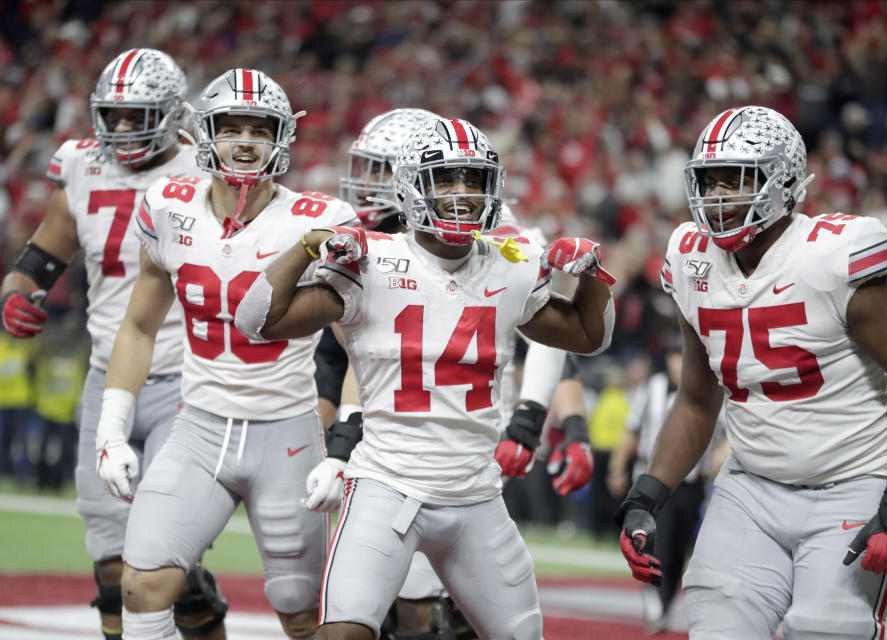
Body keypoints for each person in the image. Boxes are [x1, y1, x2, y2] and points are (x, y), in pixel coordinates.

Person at [234, 117, 616, 640]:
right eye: (446, 179)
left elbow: (588, 336)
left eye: (472, 180)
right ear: (413, 187)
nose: (461, 194)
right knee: (343, 633)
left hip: (477, 494)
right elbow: (255, 320)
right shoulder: (372, 259)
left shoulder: (512, 261)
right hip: (387, 486)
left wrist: (590, 277)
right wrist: (306, 247)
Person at [616, 105, 887, 639]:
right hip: (750, 485)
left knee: (826, 630)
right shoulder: (691, 259)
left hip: (852, 483)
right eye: (710, 180)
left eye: (737, 179)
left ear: (785, 182)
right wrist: (647, 494)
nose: (719, 196)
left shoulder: (831, 257)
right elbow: (697, 398)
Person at [94, 68, 358, 640]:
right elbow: (139, 327)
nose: (244, 141)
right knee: (140, 586)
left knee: (301, 608)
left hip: (286, 431)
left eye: (258, 129)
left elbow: (361, 348)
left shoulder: (321, 221)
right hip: (200, 426)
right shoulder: (167, 205)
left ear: (281, 138)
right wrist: (111, 430)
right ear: (202, 133)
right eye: (230, 127)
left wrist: (343, 447)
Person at [0, 48, 229, 640]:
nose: (123, 129)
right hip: (107, 376)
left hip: (189, 375)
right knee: (108, 563)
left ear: (173, 113)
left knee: (169, 568)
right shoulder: (80, 164)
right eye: (116, 116)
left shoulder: (211, 173)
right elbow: (42, 254)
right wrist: (17, 291)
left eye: (139, 115)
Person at [608, 339, 717, 632]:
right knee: (661, 542)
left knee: (680, 548)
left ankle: (663, 602)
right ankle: (654, 597)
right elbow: (631, 431)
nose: (677, 362)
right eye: (673, 355)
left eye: (682, 356)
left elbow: (725, 436)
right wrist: (618, 467)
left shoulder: (713, 389)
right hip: (655, 482)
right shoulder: (650, 390)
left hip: (693, 482)